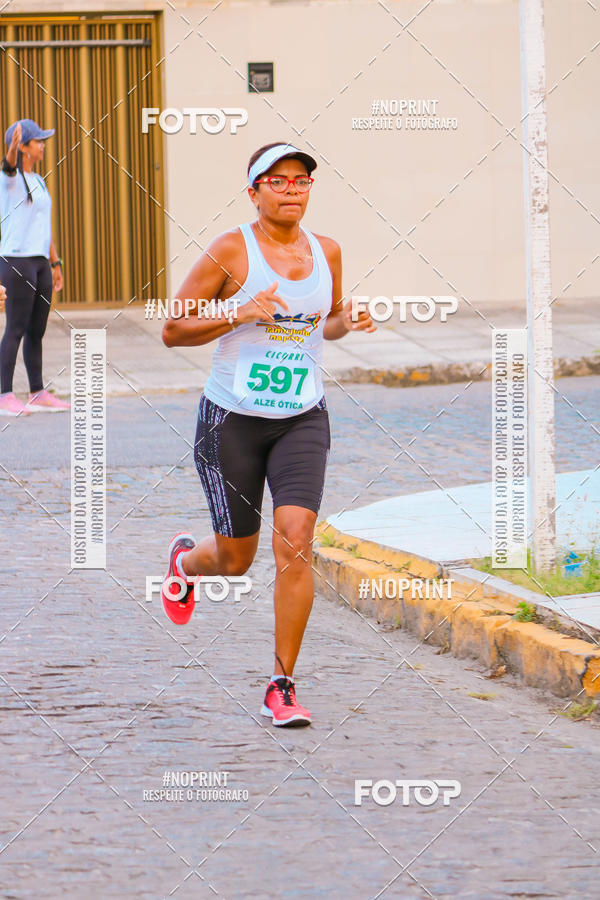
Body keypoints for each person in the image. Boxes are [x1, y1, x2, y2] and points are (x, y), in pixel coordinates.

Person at [160, 142, 375, 726]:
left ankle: (281, 684)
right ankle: (186, 564)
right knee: (235, 559)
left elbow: (323, 323)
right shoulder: (232, 249)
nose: (291, 190)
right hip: (232, 418)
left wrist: (346, 321)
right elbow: (174, 330)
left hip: (302, 416)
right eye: (276, 182)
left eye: (301, 180)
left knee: (297, 538)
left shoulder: (327, 250)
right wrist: (239, 311)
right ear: (253, 192)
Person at [0, 119, 69, 416]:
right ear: (25, 147)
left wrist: (55, 263)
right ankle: (4, 395)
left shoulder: (39, 180)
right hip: (17, 261)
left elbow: (44, 226)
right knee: (15, 328)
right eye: (38, 141)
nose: (43, 145)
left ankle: (37, 392)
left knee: (36, 330)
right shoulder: (9, 179)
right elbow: (9, 164)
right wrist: (12, 146)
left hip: (40, 262)